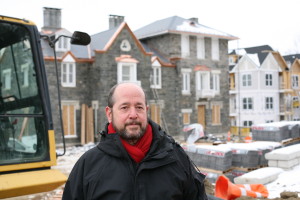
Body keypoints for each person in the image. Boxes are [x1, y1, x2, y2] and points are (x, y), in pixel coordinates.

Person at [62, 82, 208, 200]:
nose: (133, 115)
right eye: (124, 108)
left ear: (146, 110)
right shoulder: (89, 165)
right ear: (109, 113)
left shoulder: (175, 158)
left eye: (139, 107)